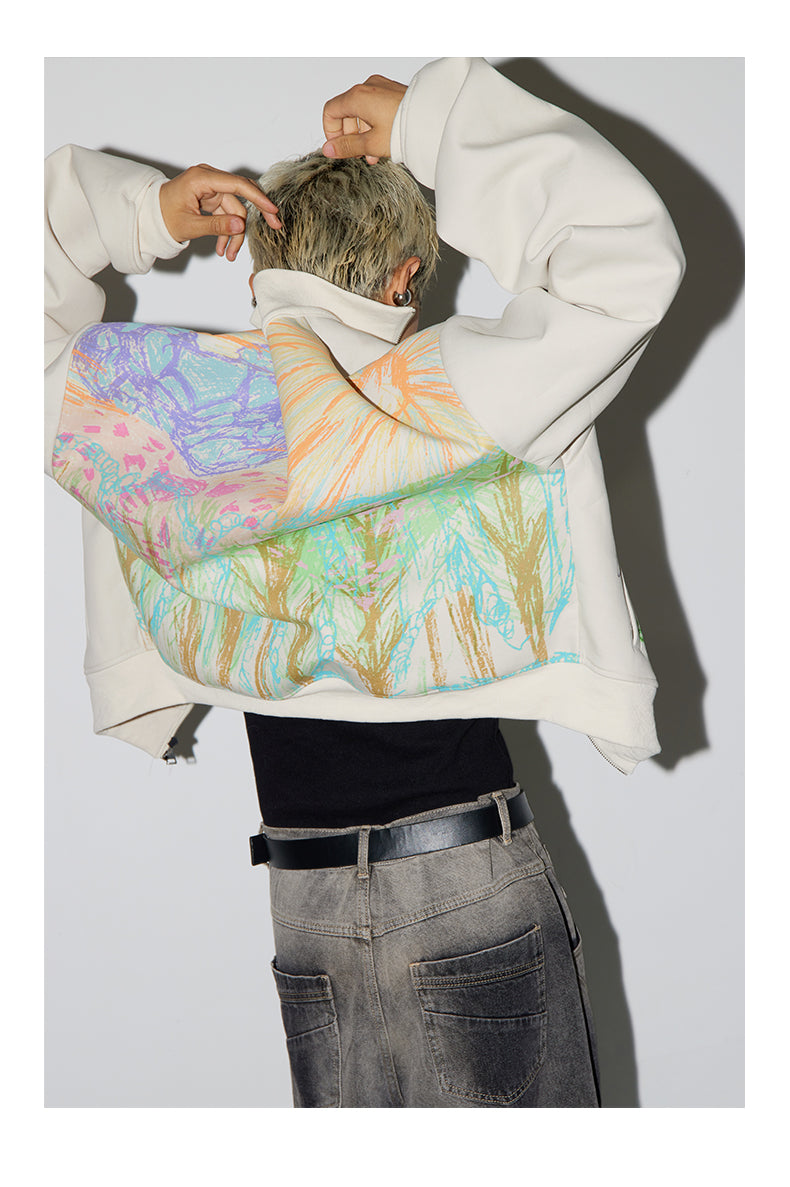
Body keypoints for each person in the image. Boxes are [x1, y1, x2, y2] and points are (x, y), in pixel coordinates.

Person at [44, 58, 684, 1107]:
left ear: (262, 262)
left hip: (304, 904)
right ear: (402, 280)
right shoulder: (459, 387)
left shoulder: (178, 410)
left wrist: (138, 212)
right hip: (466, 882)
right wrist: (431, 119)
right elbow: (625, 254)